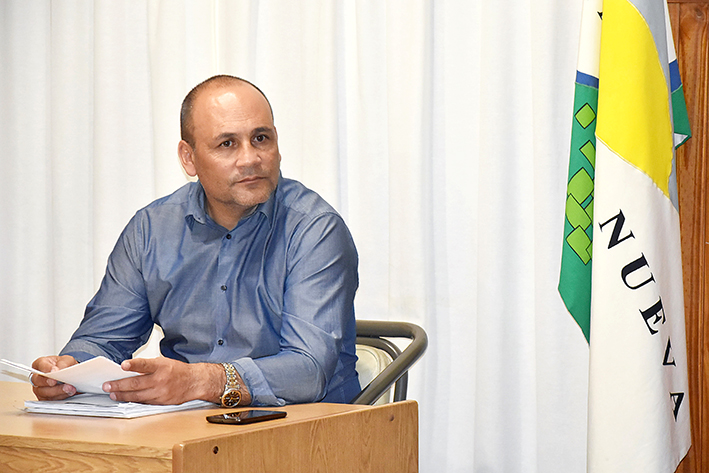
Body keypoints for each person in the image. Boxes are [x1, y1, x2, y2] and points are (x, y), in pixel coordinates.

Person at [30, 75, 360, 407]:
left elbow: (309, 370)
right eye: (227, 144)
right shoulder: (151, 230)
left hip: (308, 432)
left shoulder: (315, 229)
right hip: (189, 430)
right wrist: (70, 370)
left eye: (261, 138)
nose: (250, 158)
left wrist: (201, 381)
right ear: (189, 158)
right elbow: (103, 340)